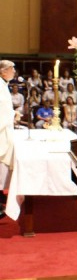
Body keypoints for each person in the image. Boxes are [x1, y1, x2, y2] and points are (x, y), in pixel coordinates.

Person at [0, 60, 17, 218]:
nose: (14, 72)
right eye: (12, 69)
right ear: (3, 71)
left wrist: (12, 114)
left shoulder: (3, 84)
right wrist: (13, 115)